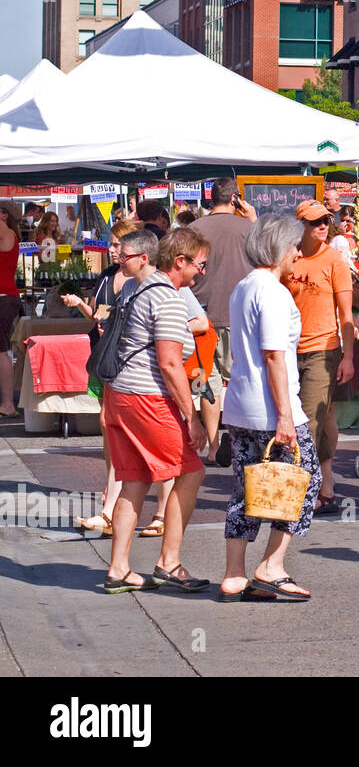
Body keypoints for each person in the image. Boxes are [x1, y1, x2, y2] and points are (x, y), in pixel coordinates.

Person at [102, 228, 210, 594]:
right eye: (199, 264)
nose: (201, 272)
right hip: (147, 398)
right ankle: (169, 562)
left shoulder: (136, 288)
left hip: (121, 393)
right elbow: (168, 362)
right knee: (191, 472)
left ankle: (119, 568)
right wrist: (191, 417)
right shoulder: (167, 297)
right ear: (180, 261)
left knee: (134, 480)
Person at [219, 214, 320, 601]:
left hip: (242, 404)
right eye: (295, 245)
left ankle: (234, 574)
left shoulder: (244, 286)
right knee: (300, 482)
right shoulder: (274, 292)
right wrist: (285, 417)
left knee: (246, 488)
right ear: (280, 248)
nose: (298, 252)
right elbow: (275, 354)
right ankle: (271, 566)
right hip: (271, 407)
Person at [67, 220, 144, 535]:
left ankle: (115, 498)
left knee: (116, 427)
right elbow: (97, 314)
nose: (112, 250)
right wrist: (81, 305)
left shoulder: (141, 282)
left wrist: (109, 318)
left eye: (117, 245)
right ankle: (112, 488)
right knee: (107, 426)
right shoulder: (108, 277)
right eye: (111, 244)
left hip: (124, 362)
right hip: (103, 356)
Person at [286, 200, 354, 515]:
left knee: (311, 420)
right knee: (323, 418)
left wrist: (348, 357)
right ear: (300, 225)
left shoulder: (335, 260)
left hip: (323, 350)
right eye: (315, 222)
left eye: (326, 220)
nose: (322, 226)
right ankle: (325, 485)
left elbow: (346, 314)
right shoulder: (289, 257)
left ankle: (308, 487)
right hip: (288, 350)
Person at [188, 177, 254, 464]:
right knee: (241, 378)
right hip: (237, 315)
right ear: (235, 198)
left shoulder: (192, 229)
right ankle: (241, 439)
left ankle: (213, 445)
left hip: (200, 315)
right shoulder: (248, 228)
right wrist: (253, 218)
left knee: (206, 383)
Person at [0, 203, 21, 418]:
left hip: (3, 297)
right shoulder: (9, 232)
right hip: (6, 297)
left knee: (1, 349)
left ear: (4, 214)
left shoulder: (4, 231)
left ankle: (7, 403)